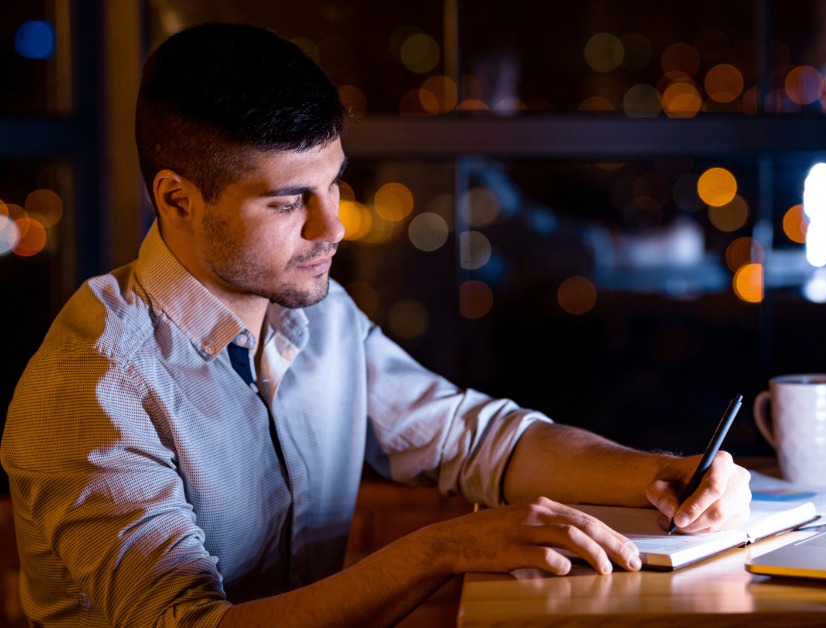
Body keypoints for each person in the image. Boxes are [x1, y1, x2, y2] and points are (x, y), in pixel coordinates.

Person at [0, 23, 751, 627]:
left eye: (334, 183)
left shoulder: (315, 313)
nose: (333, 227)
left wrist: (661, 474)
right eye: (290, 201)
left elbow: (473, 438)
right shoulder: (95, 385)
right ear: (178, 200)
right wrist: (442, 550)